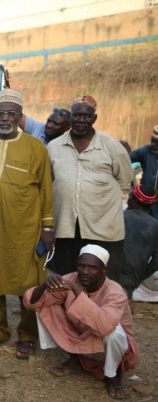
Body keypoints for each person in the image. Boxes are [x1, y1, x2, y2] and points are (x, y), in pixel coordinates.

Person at [0, 88, 54, 360]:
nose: (5, 118)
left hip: (24, 227)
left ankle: (27, 336)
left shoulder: (36, 147)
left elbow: (46, 190)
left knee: (28, 281)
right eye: (1, 113)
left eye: (11, 113)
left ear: (19, 116)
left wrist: (48, 227)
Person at [23, 244, 139, 400]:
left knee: (114, 332)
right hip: (80, 334)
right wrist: (44, 285)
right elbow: (31, 302)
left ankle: (113, 375)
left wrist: (76, 290)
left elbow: (105, 327)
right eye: (81, 266)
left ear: (104, 270)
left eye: (92, 268)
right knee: (44, 306)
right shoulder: (71, 278)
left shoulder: (115, 291)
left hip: (111, 343)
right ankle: (76, 358)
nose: (85, 271)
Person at [48, 95, 133, 280]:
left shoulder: (112, 147)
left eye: (86, 116)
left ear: (94, 118)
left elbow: (125, 181)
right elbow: (50, 183)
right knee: (66, 279)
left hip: (103, 229)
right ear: (70, 119)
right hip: (66, 228)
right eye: (76, 116)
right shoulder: (54, 147)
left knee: (102, 282)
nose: (81, 120)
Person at [118, 184, 158, 299]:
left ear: (133, 201)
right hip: (132, 276)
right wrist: (141, 275)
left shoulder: (120, 216)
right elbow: (156, 261)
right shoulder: (155, 226)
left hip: (109, 271)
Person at [129, 125, 158, 219]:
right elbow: (125, 160)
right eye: (152, 140)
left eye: (156, 142)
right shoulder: (146, 151)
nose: (153, 144)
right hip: (144, 201)